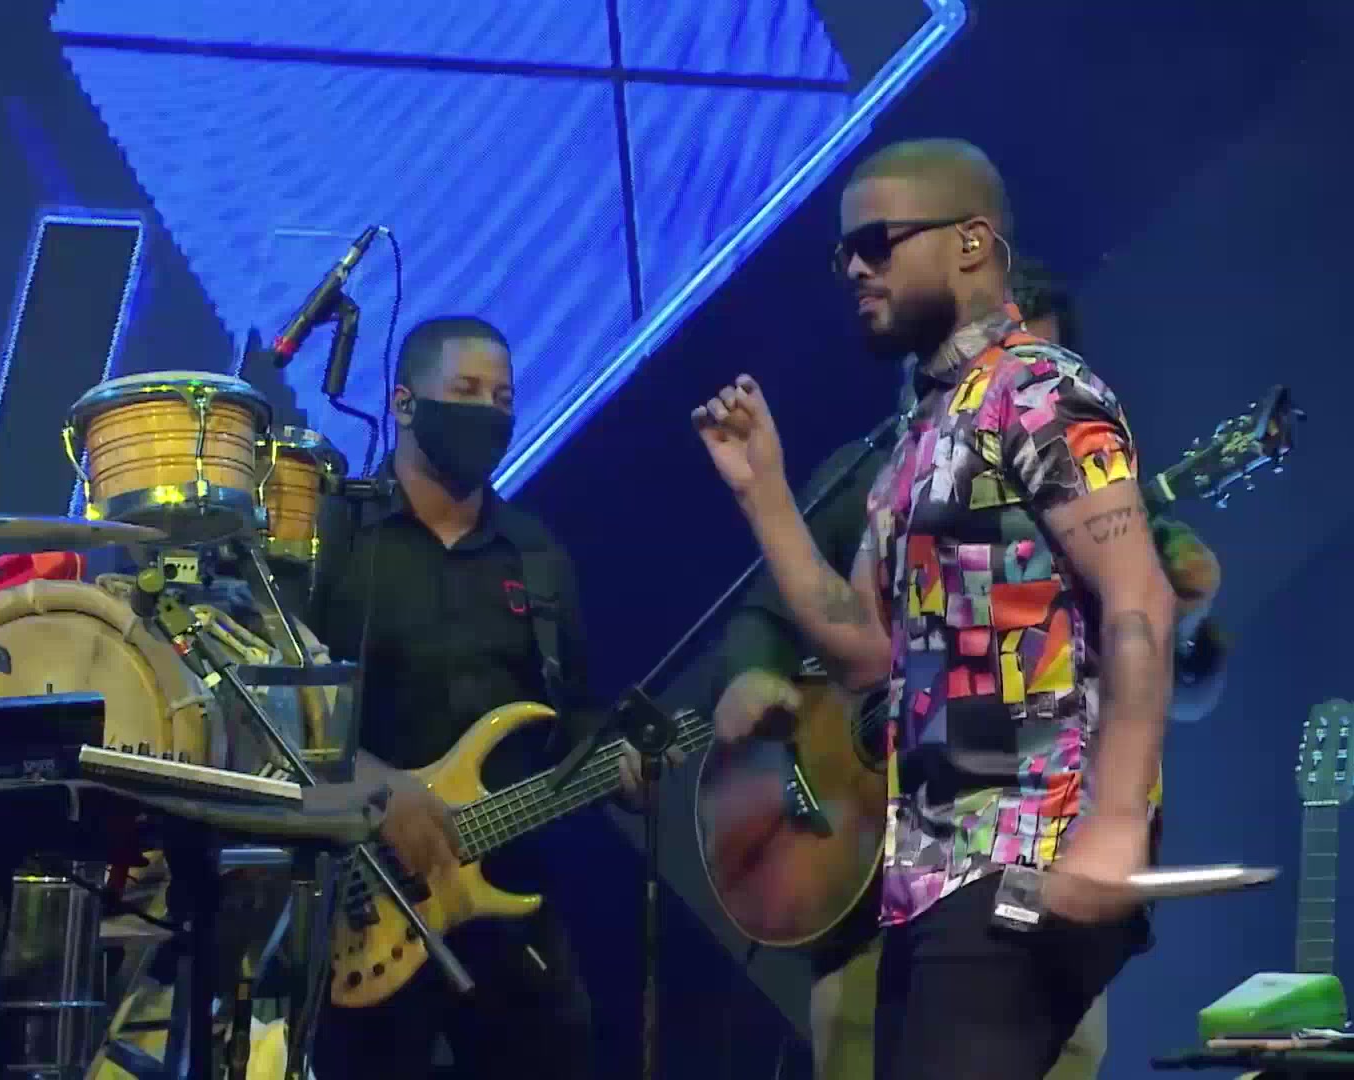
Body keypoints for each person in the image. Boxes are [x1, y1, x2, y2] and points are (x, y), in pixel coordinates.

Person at [694, 138, 1176, 1079]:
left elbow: (1141, 599)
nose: (854, 268)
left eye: (877, 242)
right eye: (843, 251)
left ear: (970, 242)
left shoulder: (1042, 390)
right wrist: (767, 496)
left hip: (1029, 843)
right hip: (927, 868)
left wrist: (1119, 820)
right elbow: (863, 653)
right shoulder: (924, 432)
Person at [301, 315, 641, 1079]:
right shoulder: (334, 537)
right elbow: (277, 711)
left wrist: (622, 768)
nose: (488, 411)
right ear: (404, 403)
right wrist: (374, 786)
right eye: (466, 391)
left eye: (503, 397)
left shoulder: (536, 554)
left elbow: (573, 715)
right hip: (360, 906)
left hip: (509, 894)